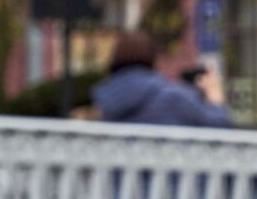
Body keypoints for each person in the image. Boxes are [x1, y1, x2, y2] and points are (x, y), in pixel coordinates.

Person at [92, 31, 232, 127]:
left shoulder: (105, 103)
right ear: (154, 60)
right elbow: (219, 128)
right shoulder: (172, 98)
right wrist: (215, 97)